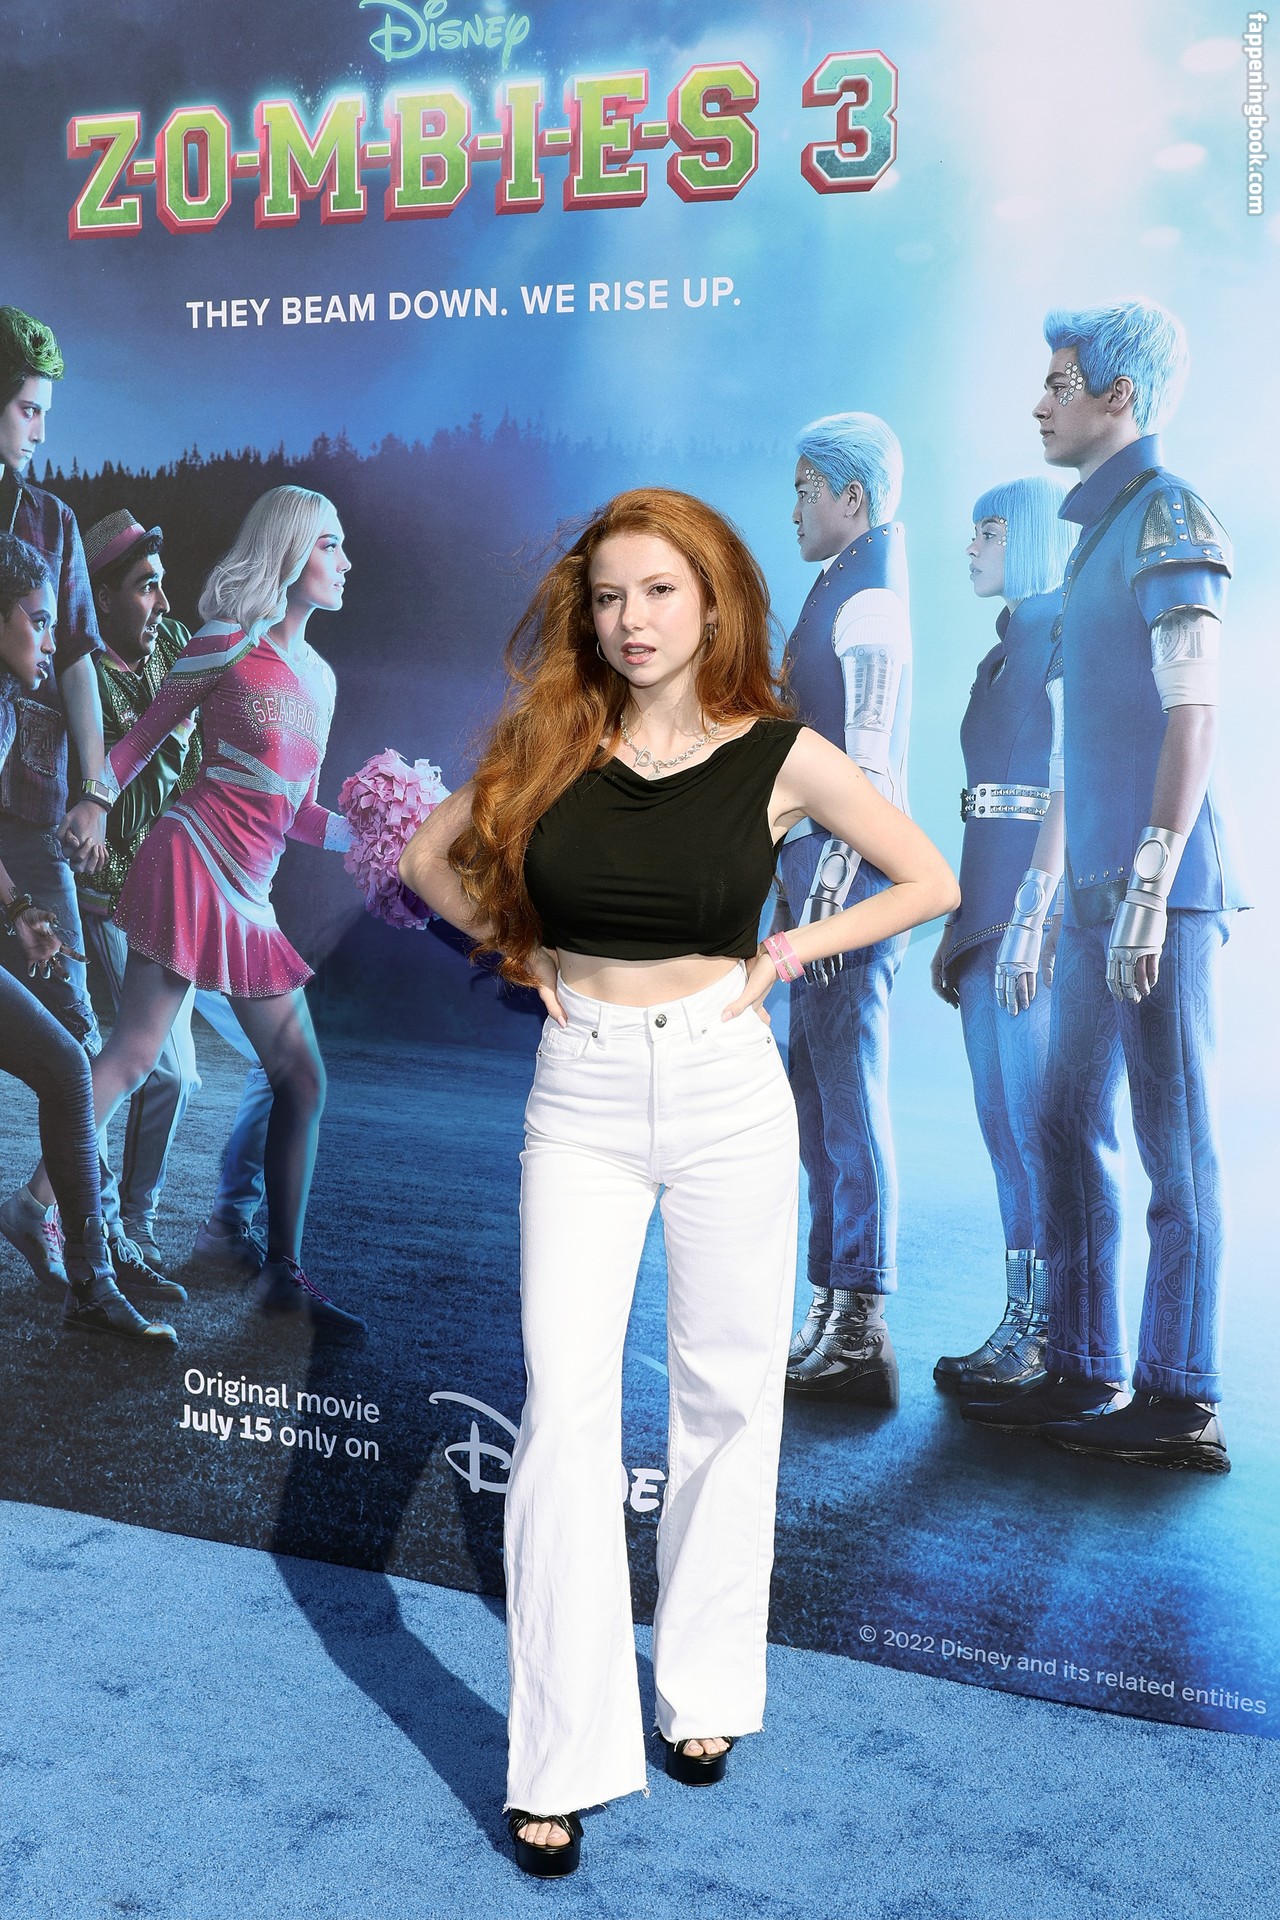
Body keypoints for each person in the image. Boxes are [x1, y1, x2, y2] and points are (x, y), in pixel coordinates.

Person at [398, 487, 957, 1875]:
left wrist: (787, 955)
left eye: (658, 592)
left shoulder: (781, 753)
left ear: (711, 605)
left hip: (724, 1089)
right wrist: (524, 955)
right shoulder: (551, 741)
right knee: (565, 1414)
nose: (631, 619)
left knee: (725, 1397)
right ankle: (559, 1760)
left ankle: (703, 1690)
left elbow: (926, 878)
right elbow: (425, 858)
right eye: (608, 596)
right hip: (580, 1094)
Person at [964, 300, 1245, 1473]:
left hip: (1157, 895)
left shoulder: (1168, 513)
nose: (1039, 402)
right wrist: (1040, 903)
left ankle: (1179, 1396)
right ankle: (1083, 1364)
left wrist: (1148, 883)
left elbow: (1194, 713)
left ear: (1116, 395)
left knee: (1171, 1142)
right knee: (1061, 1120)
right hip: (1087, 891)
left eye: (1059, 382)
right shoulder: (1096, 535)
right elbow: (1077, 747)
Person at [84, 486, 365, 1338]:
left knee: (301, 1078)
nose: (345, 561)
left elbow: (299, 813)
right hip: (190, 857)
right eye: (330, 544)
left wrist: (380, 837)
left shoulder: (323, 680)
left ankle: (282, 1278)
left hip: (251, 893)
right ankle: (39, 1207)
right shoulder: (227, 639)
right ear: (290, 549)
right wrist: (92, 805)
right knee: (137, 1053)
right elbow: (138, 743)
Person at [74, 509, 272, 1279]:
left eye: (161, 585)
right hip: (111, 895)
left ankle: (132, 1223)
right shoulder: (83, 680)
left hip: (184, 890)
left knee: (182, 1072)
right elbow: (105, 798)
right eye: (144, 587)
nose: (161, 602)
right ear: (102, 597)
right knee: (153, 1068)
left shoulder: (175, 646)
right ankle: (103, 1225)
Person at [0, 532, 175, 1350]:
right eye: (38, 621)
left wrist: (17, 909)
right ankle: (92, 1277)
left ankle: (93, 1276)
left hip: (23, 876)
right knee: (80, 1063)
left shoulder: (9, 703)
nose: (53, 639)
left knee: (72, 1062)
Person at [777, 412, 913, 1405]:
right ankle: (834, 1303)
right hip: (821, 874)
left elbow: (868, 764)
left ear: (850, 497)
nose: (794, 509)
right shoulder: (842, 584)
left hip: (846, 877)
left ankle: (860, 1320)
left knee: (846, 1096)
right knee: (818, 1097)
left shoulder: (869, 597)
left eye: (804, 490)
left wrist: (830, 889)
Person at [930, 476, 1074, 1397]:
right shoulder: (1007, 643)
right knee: (1000, 1125)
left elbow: (1070, 776)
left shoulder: (1063, 630)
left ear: (1026, 537)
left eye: (989, 530)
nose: (973, 547)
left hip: (1031, 907)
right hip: (986, 899)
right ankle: (1021, 1321)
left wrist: (1034, 910)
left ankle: (1051, 1332)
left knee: (1032, 1125)